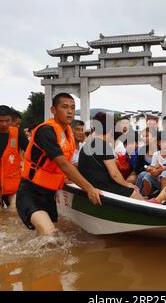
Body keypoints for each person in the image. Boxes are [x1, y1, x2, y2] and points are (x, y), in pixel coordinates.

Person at [17, 93, 102, 235]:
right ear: (53, 110)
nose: (70, 111)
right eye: (65, 107)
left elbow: (68, 164)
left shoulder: (68, 132)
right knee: (50, 234)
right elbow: (63, 164)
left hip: (49, 194)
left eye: (73, 108)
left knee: (51, 236)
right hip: (30, 192)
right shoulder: (46, 131)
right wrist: (89, 189)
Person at [78, 112, 143, 200]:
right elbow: (114, 174)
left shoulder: (86, 145)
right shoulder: (104, 145)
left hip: (89, 185)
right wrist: (127, 184)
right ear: (111, 130)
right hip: (102, 187)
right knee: (135, 193)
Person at [141, 132, 166, 197]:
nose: (165, 145)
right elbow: (153, 168)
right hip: (158, 179)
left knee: (165, 173)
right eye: (163, 142)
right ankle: (146, 196)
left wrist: (161, 168)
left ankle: (162, 197)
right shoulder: (156, 154)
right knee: (147, 175)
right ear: (159, 143)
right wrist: (151, 169)